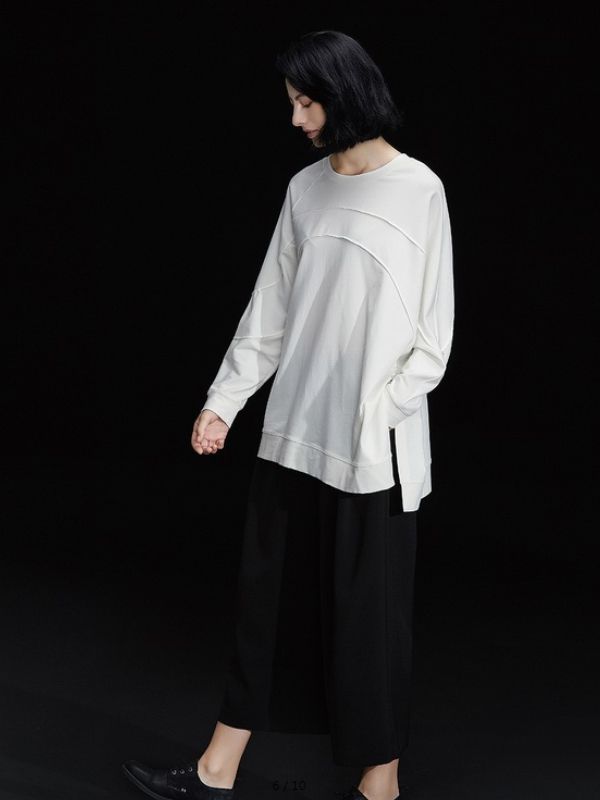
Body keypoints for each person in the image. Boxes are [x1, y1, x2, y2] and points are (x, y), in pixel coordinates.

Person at [122, 29, 454, 800]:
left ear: (345, 95)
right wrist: (223, 402)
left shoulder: (419, 190)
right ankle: (216, 770)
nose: (297, 119)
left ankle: (380, 786)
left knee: (369, 623)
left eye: (307, 103)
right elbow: (269, 312)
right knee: (264, 610)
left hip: (372, 453)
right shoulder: (306, 189)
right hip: (293, 436)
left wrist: (380, 409)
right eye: (294, 103)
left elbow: (433, 339)